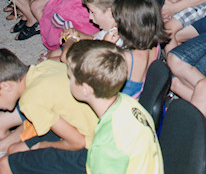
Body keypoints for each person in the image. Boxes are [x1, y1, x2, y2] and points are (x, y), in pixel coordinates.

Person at [0, 49, 98, 174]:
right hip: (84, 126)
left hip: (91, 152)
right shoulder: (46, 66)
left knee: (6, 164)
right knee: (14, 150)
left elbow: (78, 142)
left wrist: (44, 145)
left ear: (6, 86)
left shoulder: (29, 101)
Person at [65, 40, 164, 173]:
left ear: (85, 89)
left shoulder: (105, 145)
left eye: (70, 77)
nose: (68, 81)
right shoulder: (128, 101)